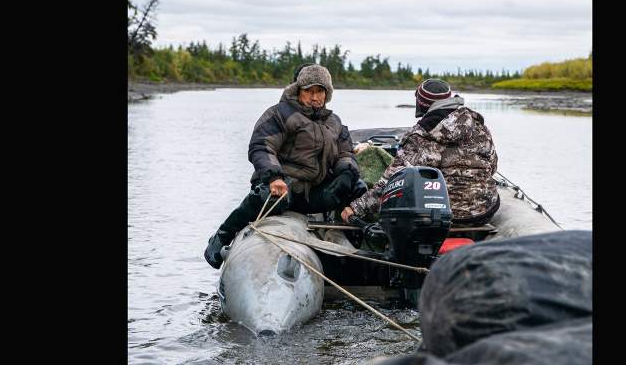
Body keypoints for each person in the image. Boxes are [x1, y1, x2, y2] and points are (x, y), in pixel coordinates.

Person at [204, 63, 362, 268]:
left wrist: (347, 172)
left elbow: (345, 153)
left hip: (314, 193)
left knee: (356, 186)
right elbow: (261, 146)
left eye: (320, 91)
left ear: (327, 93)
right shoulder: (280, 114)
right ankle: (222, 236)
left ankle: (352, 245)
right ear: (299, 90)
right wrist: (274, 176)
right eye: (309, 91)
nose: (315, 97)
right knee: (269, 196)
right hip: (284, 187)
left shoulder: (334, 122)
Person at [341, 78, 499, 227]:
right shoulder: (478, 127)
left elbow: (391, 183)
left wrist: (356, 209)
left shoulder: (420, 136)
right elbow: (492, 167)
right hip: (485, 211)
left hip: (443, 217)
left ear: (422, 104)